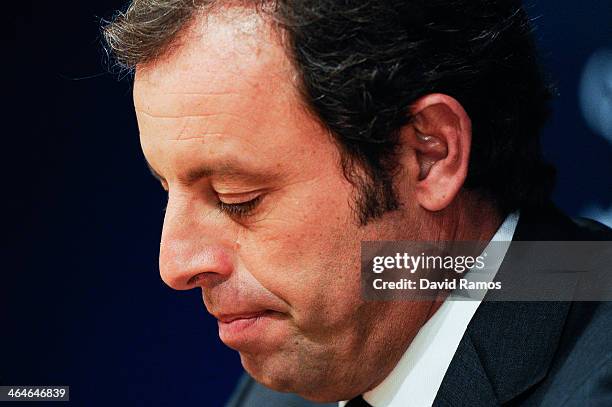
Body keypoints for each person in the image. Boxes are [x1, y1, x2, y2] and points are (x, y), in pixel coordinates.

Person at [102, 1, 612, 405]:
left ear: (428, 155)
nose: (174, 265)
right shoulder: (299, 370)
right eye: (168, 191)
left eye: (239, 199)